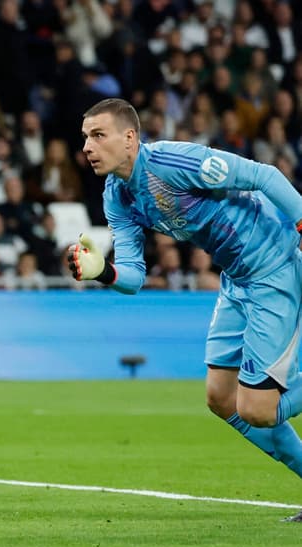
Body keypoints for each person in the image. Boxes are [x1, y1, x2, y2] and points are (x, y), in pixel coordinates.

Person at [70, 97, 302, 522]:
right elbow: (135, 277)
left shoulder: (174, 162)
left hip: (273, 266)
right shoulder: (118, 197)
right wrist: (102, 271)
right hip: (237, 279)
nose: (87, 146)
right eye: (85, 136)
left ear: (129, 138)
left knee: (257, 409)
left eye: (98, 135)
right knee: (220, 398)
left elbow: (264, 175)